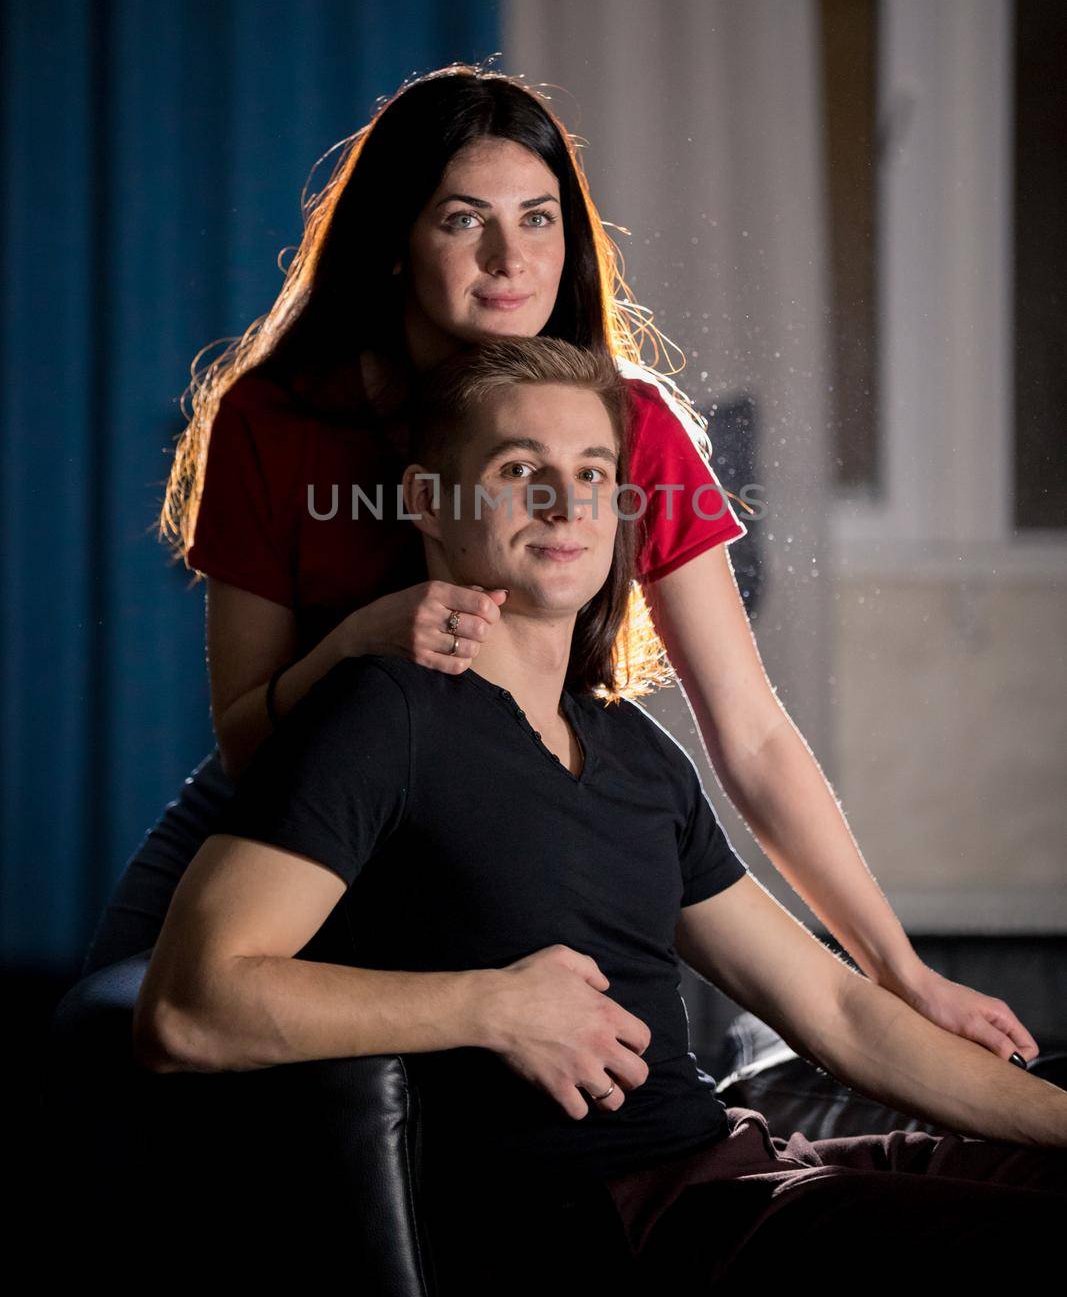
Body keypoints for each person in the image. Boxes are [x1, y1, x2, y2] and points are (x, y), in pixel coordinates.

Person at [84, 62, 1037, 1077]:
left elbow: (751, 733)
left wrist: (896, 969)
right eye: (462, 220)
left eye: (538, 219)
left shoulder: (632, 426)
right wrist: (362, 637)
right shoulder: (277, 420)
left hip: (490, 820)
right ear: (395, 243)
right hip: (286, 820)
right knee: (110, 1067)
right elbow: (243, 737)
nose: (509, 258)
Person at [134, 338, 1065, 1291]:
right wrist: (489, 1006)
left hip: (742, 1167)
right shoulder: (384, 716)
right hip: (630, 1222)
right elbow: (187, 1008)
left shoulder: (634, 753)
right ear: (427, 503)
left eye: (592, 473)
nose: (566, 502)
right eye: (517, 470)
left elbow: (833, 1009)